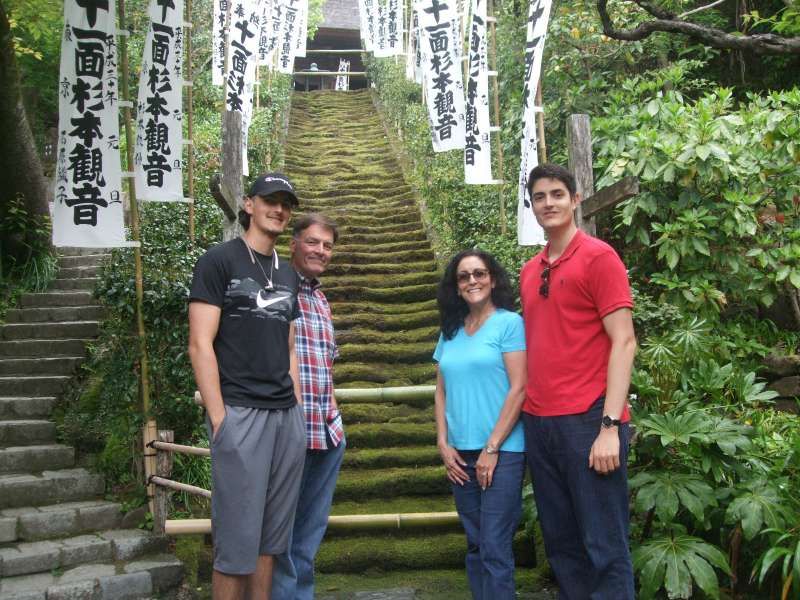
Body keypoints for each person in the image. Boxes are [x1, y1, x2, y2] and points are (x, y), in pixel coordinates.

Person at [519, 163, 637, 599]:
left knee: (604, 545)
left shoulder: (598, 257)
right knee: (562, 545)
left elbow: (624, 341)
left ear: (575, 199)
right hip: (540, 423)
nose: (548, 203)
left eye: (556, 194)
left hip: (589, 420)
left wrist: (610, 427)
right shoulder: (531, 270)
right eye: (539, 197)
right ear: (532, 206)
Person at [188, 172, 307, 600]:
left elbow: (289, 347)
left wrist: (296, 406)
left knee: (270, 541)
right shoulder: (219, 261)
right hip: (240, 413)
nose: (279, 209)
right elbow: (200, 345)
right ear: (250, 205)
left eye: (286, 203)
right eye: (270, 200)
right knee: (236, 544)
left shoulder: (289, 274)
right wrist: (221, 420)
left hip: (285, 419)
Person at [433, 249, 527, 600]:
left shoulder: (509, 323)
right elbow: (441, 390)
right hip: (459, 453)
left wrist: (492, 448)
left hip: (504, 451)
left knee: (494, 545)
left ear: (492, 279)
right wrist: (443, 443)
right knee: (475, 545)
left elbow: (519, 389)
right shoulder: (451, 331)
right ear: (455, 287)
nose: (472, 280)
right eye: (463, 276)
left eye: (479, 273)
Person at [273, 214, 345, 600]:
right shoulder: (275, 288)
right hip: (288, 431)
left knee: (308, 534)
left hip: (326, 432)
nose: (321, 251)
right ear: (294, 244)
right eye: (314, 242)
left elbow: (325, 363)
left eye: (328, 245)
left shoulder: (319, 298)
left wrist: (334, 415)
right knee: (281, 535)